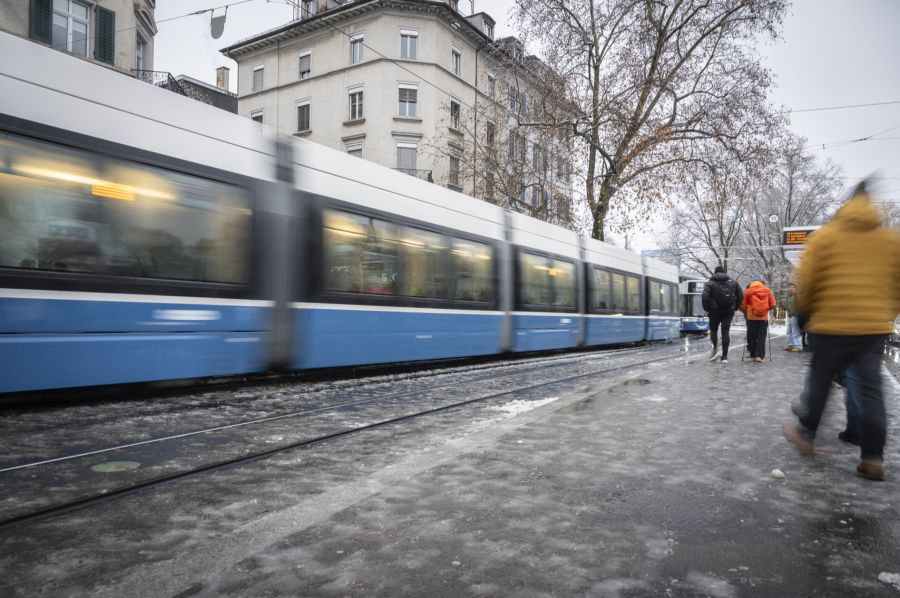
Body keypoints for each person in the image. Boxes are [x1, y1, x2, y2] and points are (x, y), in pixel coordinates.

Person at [784, 181, 900, 481]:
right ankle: (873, 459)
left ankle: (807, 435)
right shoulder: (890, 241)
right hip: (872, 329)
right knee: (871, 390)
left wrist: (807, 313)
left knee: (820, 381)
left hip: (831, 324)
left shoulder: (826, 237)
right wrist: (885, 317)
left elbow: (808, 279)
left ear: (847, 204)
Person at [701, 265, 743, 363]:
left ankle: (715, 349)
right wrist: (735, 307)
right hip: (728, 311)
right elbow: (741, 295)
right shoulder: (733, 282)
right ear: (724, 272)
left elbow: (704, 296)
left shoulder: (710, 283)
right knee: (725, 332)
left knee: (714, 330)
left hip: (714, 311)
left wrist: (707, 309)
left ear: (715, 273)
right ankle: (724, 356)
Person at [740, 276, 776, 363]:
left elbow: (743, 305)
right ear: (761, 281)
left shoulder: (748, 291)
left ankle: (752, 355)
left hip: (751, 318)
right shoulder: (767, 290)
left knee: (751, 336)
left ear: (752, 281)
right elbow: (773, 304)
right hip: (763, 318)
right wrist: (766, 309)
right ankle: (759, 356)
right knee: (761, 337)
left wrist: (747, 311)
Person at [784, 282, 803, 352]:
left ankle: (799, 346)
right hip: (789, 315)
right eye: (789, 287)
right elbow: (787, 306)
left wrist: (797, 314)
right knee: (788, 331)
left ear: (795, 288)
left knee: (796, 331)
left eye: (792, 287)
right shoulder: (788, 296)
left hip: (795, 316)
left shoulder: (797, 295)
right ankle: (790, 344)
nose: (790, 289)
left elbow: (801, 305)